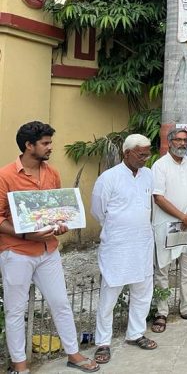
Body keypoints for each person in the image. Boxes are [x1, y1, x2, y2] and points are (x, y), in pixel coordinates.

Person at [0, 122, 99, 374]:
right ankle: (20, 366)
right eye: (45, 143)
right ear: (28, 145)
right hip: (16, 253)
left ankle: (74, 354)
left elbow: (54, 210)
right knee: (15, 311)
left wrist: (61, 225)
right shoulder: (5, 175)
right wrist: (24, 234)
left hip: (48, 251)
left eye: (49, 142)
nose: (50, 148)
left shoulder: (52, 173)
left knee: (61, 303)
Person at [91, 134, 157, 364]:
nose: (145, 158)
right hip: (117, 245)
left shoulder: (148, 175)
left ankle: (135, 333)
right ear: (126, 153)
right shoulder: (108, 178)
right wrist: (119, 227)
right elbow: (98, 211)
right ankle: (103, 342)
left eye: (147, 154)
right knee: (110, 295)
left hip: (142, 243)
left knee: (142, 292)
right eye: (141, 154)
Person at [151, 128, 187, 333]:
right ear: (169, 142)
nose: (183, 143)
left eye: (185, 140)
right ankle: (161, 312)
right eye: (179, 140)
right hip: (167, 226)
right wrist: (181, 217)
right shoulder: (159, 166)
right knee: (163, 270)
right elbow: (158, 197)